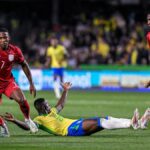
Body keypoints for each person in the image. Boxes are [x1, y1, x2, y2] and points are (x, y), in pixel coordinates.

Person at [1, 82, 150, 136]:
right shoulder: (39, 119)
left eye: (47, 103)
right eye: (45, 104)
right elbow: (28, 128)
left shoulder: (51, 112)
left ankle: (133, 123)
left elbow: (60, 105)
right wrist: (15, 120)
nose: (48, 105)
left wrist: (65, 91)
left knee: (106, 119)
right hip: (70, 131)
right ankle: (132, 124)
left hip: (75, 123)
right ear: (39, 107)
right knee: (101, 121)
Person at [0, 28, 38, 134]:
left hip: (7, 81)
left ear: (9, 38)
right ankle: (2, 125)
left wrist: (31, 83)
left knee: (21, 99)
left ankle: (28, 119)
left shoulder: (15, 51)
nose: (3, 40)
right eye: (1, 38)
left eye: (5, 37)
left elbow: (24, 64)